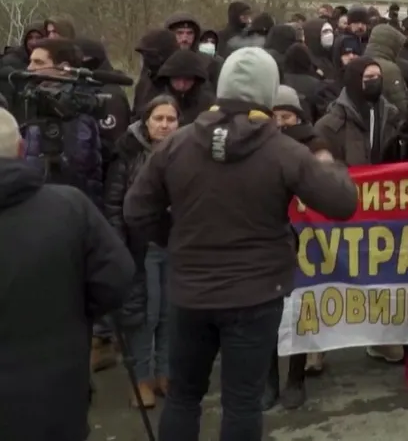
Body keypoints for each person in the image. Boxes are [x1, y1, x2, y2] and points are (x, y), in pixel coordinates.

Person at [124, 47, 359, 441]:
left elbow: (136, 211)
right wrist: (325, 159)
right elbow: (343, 203)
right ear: (269, 94)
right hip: (256, 294)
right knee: (242, 402)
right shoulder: (284, 151)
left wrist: (177, 239)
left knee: (183, 397)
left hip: (190, 290)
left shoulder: (177, 144)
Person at [0, 106, 134, 441]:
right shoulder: (71, 207)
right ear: (20, 150)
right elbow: (116, 280)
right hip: (54, 396)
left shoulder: (68, 206)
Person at [104, 94, 182, 408]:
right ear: (146, 121)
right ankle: (141, 378)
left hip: (175, 243)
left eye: (171, 119)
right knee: (144, 316)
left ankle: (165, 372)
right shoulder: (127, 153)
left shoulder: (187, 151)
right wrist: (116, 246)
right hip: (139, 245)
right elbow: (113, 203)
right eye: (158, 119)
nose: (164, 125)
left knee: (169, 312)